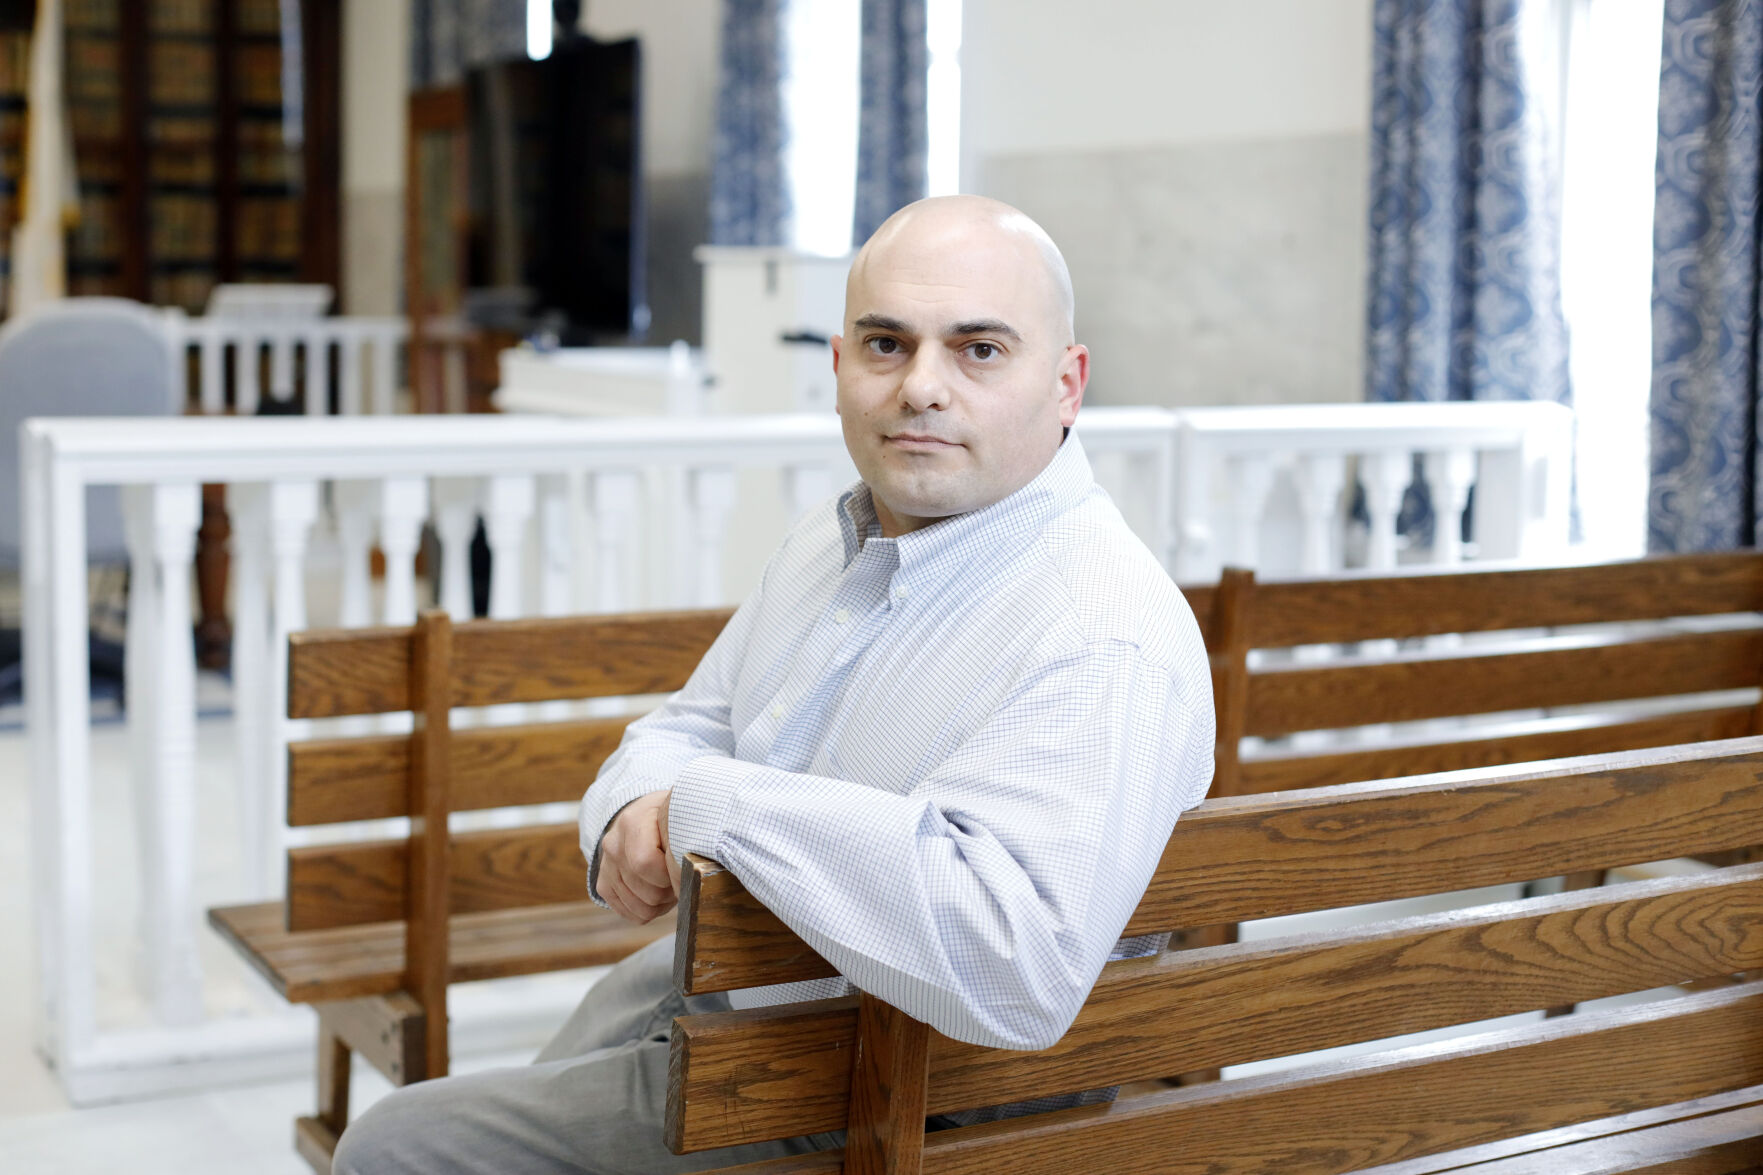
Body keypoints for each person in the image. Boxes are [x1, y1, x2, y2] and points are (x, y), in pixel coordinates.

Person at [333, 195, 1214, 1175]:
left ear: (1066, 382)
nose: (921, 386)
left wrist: (710, 806)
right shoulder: (831, 534)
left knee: (394, 1147)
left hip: (901, 1097)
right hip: (749, 989)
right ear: (838, 367)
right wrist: (632, 804)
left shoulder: (1098, 627)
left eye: (978, 350)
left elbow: (1012, 966)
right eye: (886, 343)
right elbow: (698, 719)